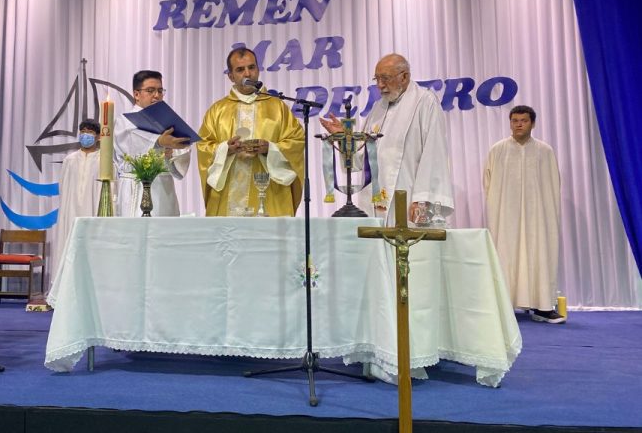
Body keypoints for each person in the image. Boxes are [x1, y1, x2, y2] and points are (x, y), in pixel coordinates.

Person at [319, 53, 454, 223]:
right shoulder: (378, 108)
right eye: (377, 79)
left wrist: (422, 198)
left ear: (404, 77)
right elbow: (362, 159)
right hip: (374, 200)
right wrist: (345, 138)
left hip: (409, 198)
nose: (380, 85)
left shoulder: (425, 102)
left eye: (385, 78)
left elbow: (434, 153)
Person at [197, 47, 305, 216]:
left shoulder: (278, 107)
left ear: (258, 70)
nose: (247, 74)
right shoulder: (217, 110)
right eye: (240, 70)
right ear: (231, 76)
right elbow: (203, 145)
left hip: (270, 192)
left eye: (251, 67)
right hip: (227, 195)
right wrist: (226, 148)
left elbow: (296, 141)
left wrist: (269, 148)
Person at [484, 105, 563, 323]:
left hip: (538, 214)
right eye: (514, 120)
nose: (518, 124)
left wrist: (548, 213)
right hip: (505, 214)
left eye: (524, 120)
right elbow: (488, 184)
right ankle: (504, 305)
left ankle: (543, 306)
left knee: (539, 252)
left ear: (533, 123)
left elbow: (553, 184)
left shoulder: (545, 151)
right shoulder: (497, 150)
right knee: (506, 253)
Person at [113, 70, 191, 216]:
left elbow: (178, 166)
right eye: (150, 90)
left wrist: (172, 153)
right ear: (136, 94)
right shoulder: (124, 121)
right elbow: (131, 142)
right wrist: (159, 141)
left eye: (160, 91)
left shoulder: (168, 121)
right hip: (136, 188)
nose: (157, 95)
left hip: (164, 189)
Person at [51, 119, 102, 281]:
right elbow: (63, 188)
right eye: (83, 132)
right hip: (70, 211)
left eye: (90, 132)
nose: (86, 135)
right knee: (68, 245)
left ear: (99, 136)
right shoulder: (70, 160)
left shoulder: (104, 161)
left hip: (93, 211)